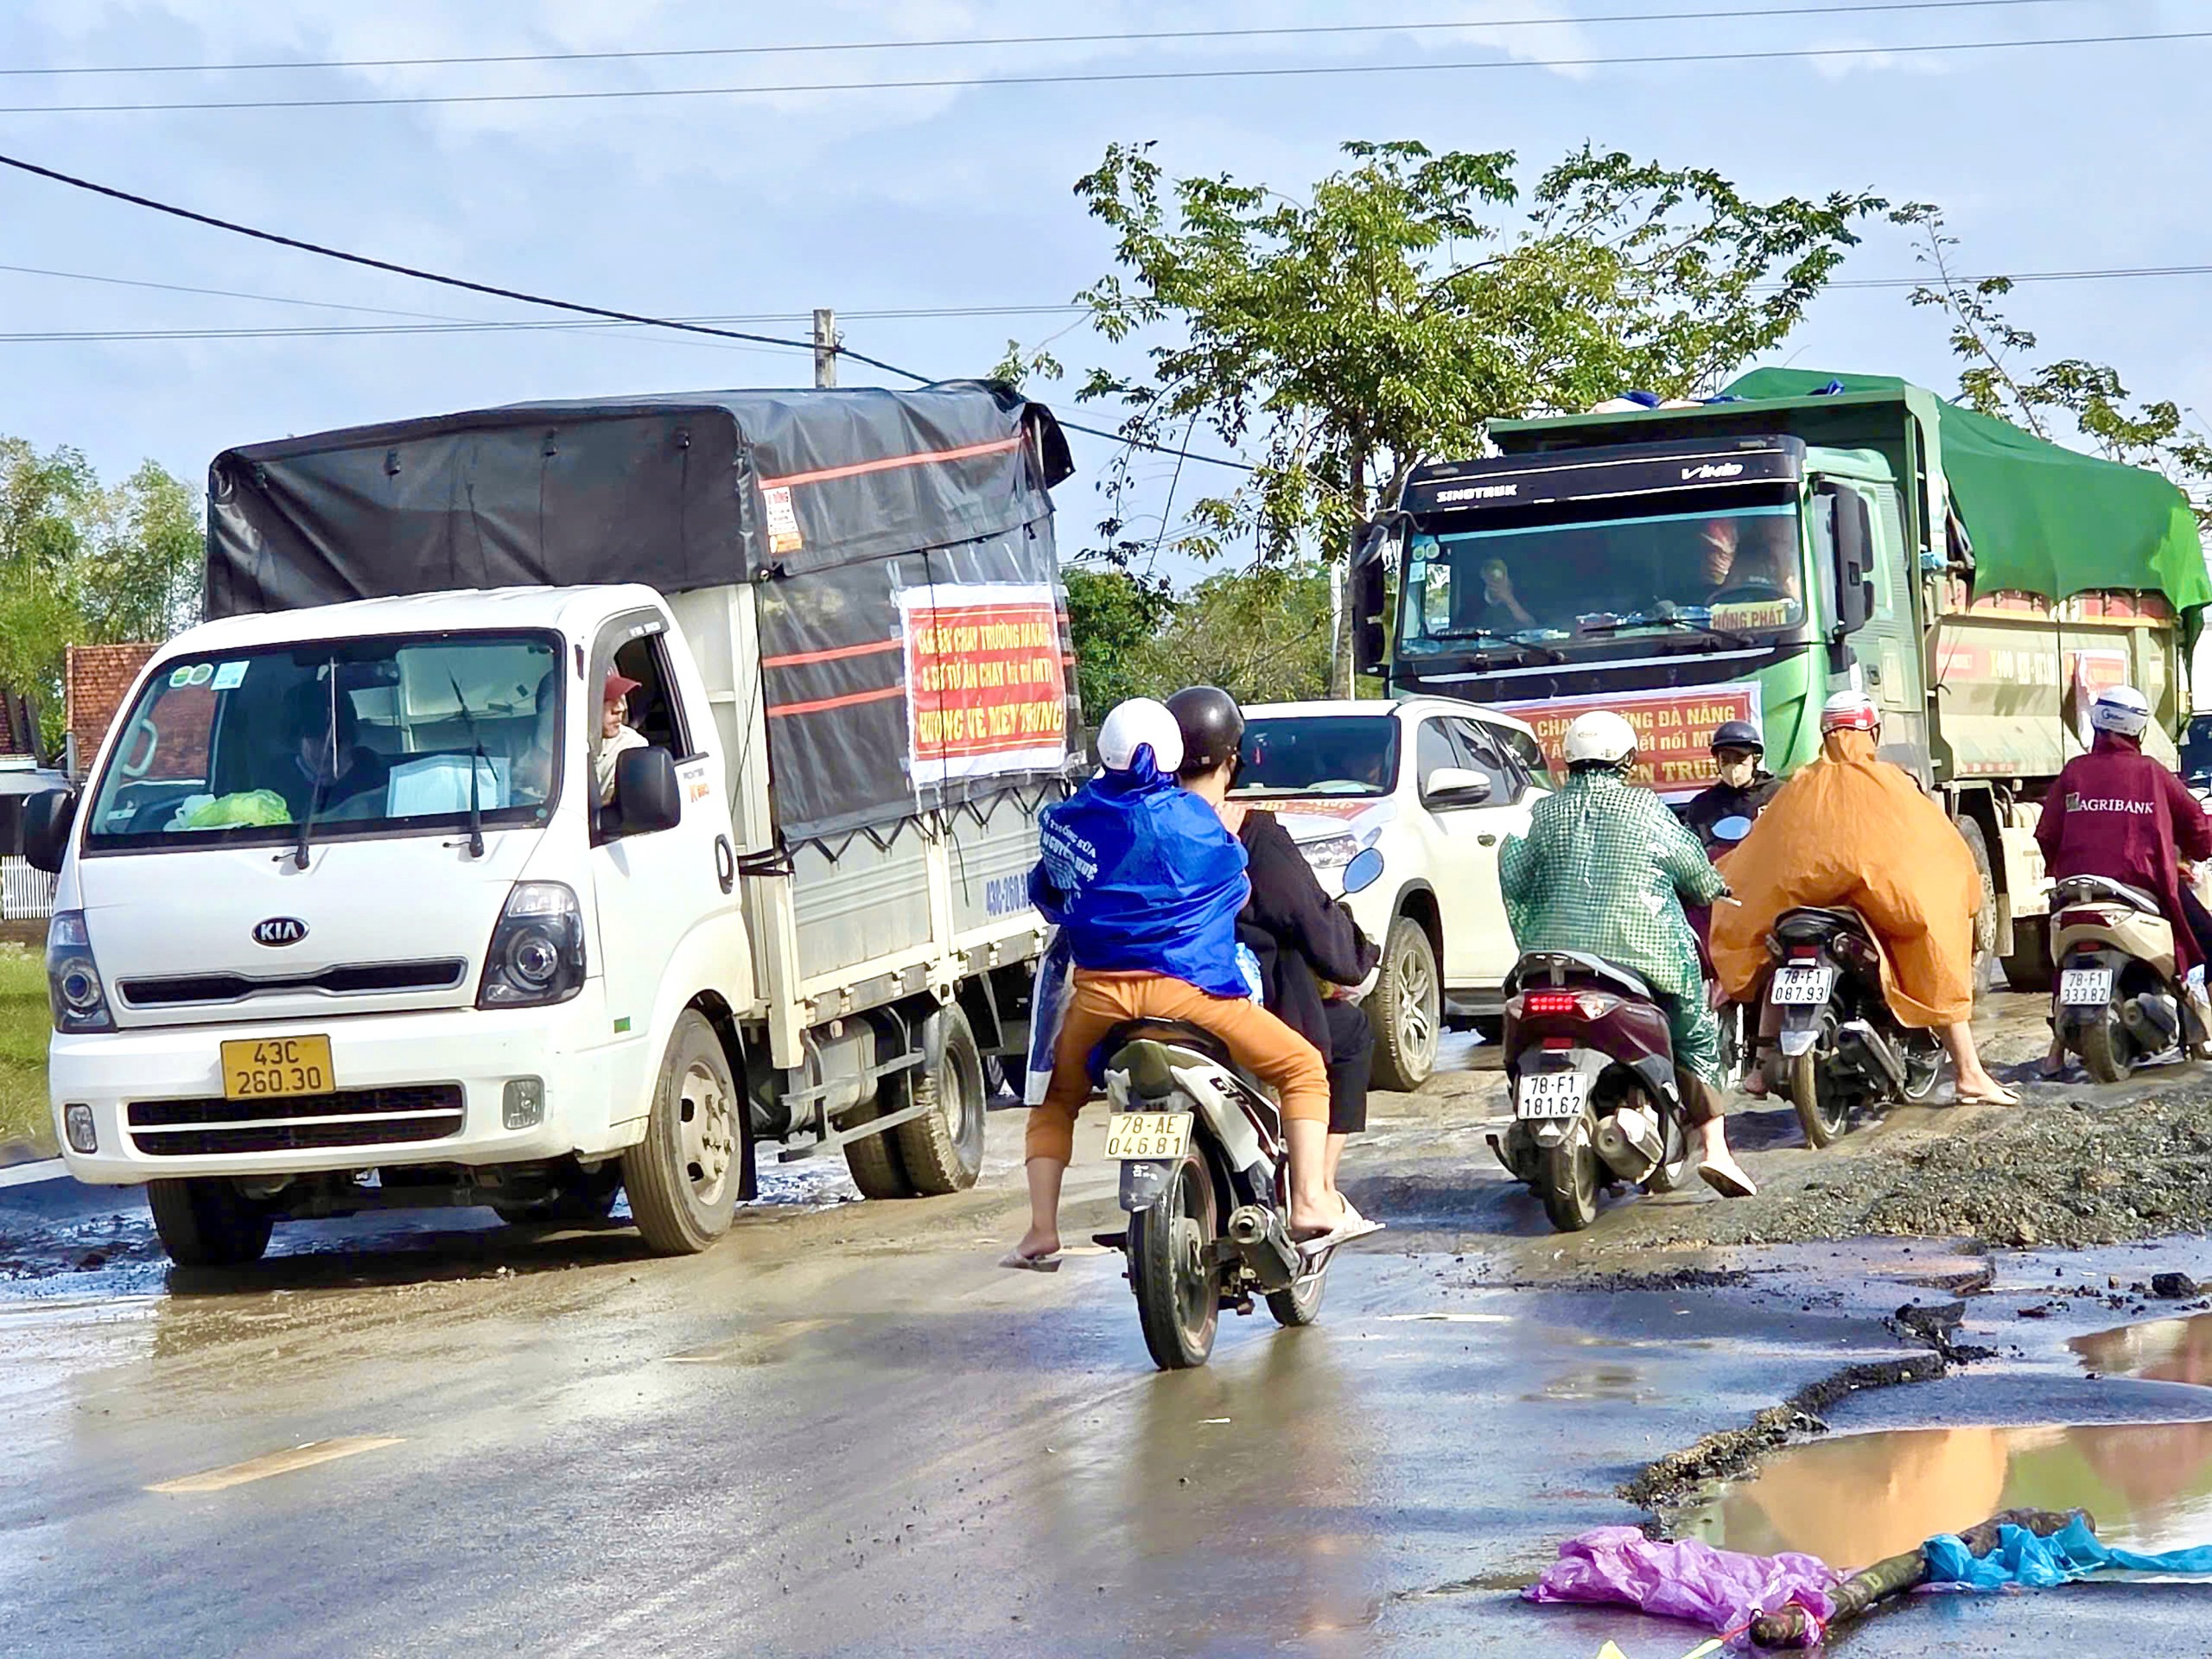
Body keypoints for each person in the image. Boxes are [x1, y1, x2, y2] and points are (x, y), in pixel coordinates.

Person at [1004, 698, 1366, 1271]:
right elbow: (1236, 888)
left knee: (1056, 1100)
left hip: (1099, 999)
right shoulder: (1195, 819)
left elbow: (1048, 895)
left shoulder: (1067, 820)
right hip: (1190, 992)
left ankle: (1041, 1230)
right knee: (1302, 1068)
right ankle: (1310, 1201)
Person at [1712, 690, 2018, 1105]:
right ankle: (1969, 1072)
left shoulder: (1799, 785)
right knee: (1934, 949)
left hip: (1805, 907)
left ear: (1825, 734)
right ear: (1871, 732)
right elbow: (1939, 852)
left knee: (1773, 951)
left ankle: (1761, 1067)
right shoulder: (1890, 783)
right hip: (1875, 907)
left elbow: (1758, 858)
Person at [1498, 709, 1758, 1198]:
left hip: (1548, 963)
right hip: (1639, 957)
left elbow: (1511, 871)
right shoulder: (1645, 808)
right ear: (1627, 759)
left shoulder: (1540, 812)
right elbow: (1694, 870)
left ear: (1568, 758)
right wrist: (1714, 887)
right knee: (1695, 1032)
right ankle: (1717, 1150)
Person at [1166, 685, 1383, 1209]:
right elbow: (1309, 918)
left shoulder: (1134, 827)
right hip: (1231, 1007)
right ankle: (1314, 1193)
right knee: (1347, 1037)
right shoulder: (1249, 834)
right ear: (1232, 761)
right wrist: (1356, 957)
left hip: (1129, 1003)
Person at [2034, 684, 2212, 1065]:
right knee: (2208, 940)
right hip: (2143, 885)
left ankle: (2055, 1052)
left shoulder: (2073, 771)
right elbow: (2199, 829)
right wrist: (2191, 853)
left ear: (2098, 722)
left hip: (2075, 891)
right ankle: (2204, 1034)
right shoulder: (2152, 773)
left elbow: (2046, 834)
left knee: (2056, 961)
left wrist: (2065, 867)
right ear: (2139, 729)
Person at [277, 677, 389, 820]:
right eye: (317, 735)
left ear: (351, 737)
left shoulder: (375, 771)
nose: (330, 744)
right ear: (297, 740)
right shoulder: (277, 785)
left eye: (339, 737)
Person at [1681, 719, 1783, 849]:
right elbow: (1690, 852)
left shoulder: (1779, 795)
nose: (1733, 768)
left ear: (1755, 759)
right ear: (1717, 761)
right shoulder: (1702, 806)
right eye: (1726, 760)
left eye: (1740, 760)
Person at [594, 670, 647, 806]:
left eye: (621, 698)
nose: (620, 708)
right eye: (607, 700)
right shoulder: (553, 743)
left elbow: (613, 807)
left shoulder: (630, 745)